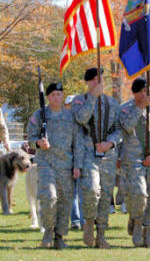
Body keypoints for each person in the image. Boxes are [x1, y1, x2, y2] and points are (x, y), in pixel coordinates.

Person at [27, 83, 83, 249]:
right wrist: (38, 142)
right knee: (48, 197)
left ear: (62, 95)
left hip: (66, 165)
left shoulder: (71, 116)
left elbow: (77, 142)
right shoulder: (39, 115)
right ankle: (48, 232)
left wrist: (77, 166)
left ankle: (59, 236)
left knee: (65, 202)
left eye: (59, 94)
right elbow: (30, 137)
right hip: (46, 164)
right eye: (53, 95)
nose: (56, 97)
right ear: (48, 97)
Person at [72, 67, 120, 249]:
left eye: (99, 79)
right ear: (87, 82)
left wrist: (110, 143)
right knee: (92, 190)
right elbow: (81, 118)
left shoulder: (112, 103)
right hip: (87, 154)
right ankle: (89, 223)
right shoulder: (79, 100)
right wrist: (93, 97)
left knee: (106, 195)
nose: (97, 83)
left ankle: (101, 234)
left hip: (107, 156)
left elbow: (119, 129)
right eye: (93, 80)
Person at [118, 78, 150, 249]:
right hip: (132, 160)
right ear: (135, 93)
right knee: (138, 194)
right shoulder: (124, 109)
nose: (144, 95)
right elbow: (126, 126)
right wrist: (140, 108)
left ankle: (148, 231)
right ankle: (137, 223)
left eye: (146, 91)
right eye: (141, 92)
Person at [64, 95, 85, 231]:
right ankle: (76, 220)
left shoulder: (83, 121)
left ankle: (84, 220)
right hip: (69, 160)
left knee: (83, 191)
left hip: (83, 159)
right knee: (72, 192)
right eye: (68, 105)